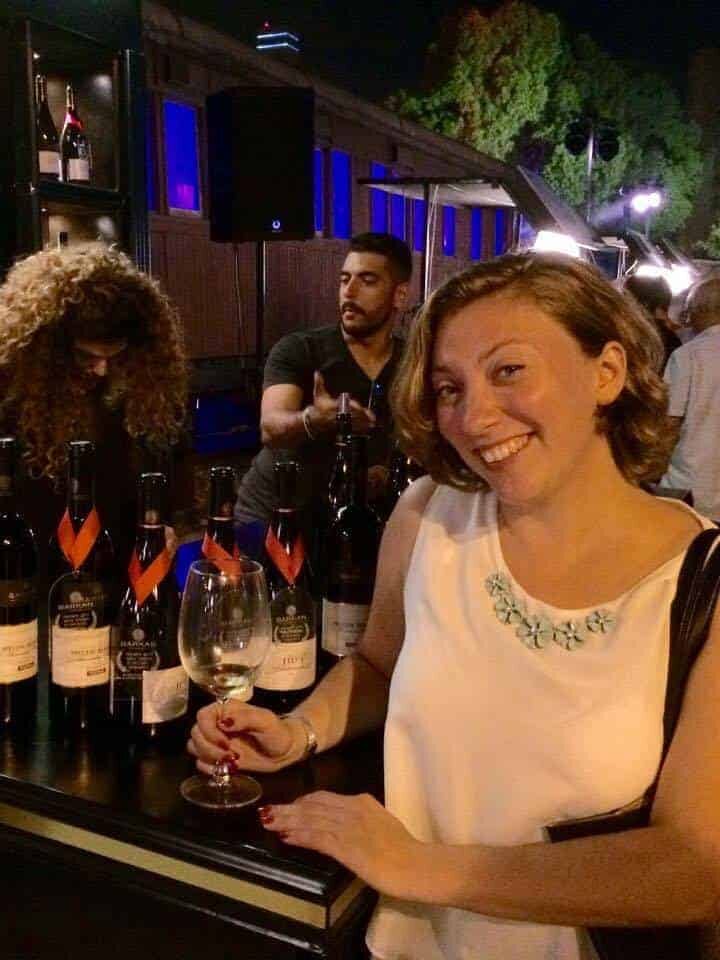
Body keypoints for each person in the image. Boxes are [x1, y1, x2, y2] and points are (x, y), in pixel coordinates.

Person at [189, 254, 720, 960]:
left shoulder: (702, 580)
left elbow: (692, 869)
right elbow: (378, 662)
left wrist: (417, 865)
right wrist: (299, 730)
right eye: (448, 388)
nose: (473, 416)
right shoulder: (431, 515)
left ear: (608, 371)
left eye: (508, 370)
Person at [0, 242, 187, 567]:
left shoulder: (136, 390)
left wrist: (163, 526)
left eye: (112, 357)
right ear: (48, 349)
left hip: (110, 571)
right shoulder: (10, 395)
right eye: (86, 357)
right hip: (26, 573)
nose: (101, 370)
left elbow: (148, 490)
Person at [234, 231, 412, 545]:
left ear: (399, 295)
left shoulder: (413, 362)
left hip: (354, 521)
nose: (350, 291)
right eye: (345, 279)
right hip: (275, 516)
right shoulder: (300, 349)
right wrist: (315, 419)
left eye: (367, 280)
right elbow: (271, 426)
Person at [659, 274, 720, 520]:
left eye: (688, 311)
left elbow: (668, 423)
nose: (686, 320)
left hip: (690, 491)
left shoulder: (688, 356)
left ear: (702, 310)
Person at [623, 272, 679, 369]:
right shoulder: (674, 340)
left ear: (643, 304)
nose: (622, 303)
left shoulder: (630, 337)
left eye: (626, 297)